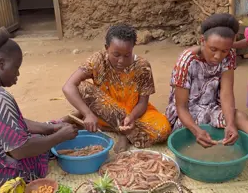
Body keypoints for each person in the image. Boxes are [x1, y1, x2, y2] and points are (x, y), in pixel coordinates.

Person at [0, 27, 78, 193]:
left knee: (50, 130)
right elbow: (19, 150)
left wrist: (49, 128)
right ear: (1, 63)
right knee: (45, 146)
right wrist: (59, 137)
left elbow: (5, 123)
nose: (18, 73)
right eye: (16, 67)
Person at [63, 24, 171, 152]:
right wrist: (88, 114)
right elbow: (68, 86)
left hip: (132, 113)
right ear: (106, 48)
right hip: (104, 109)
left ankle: (123, 132)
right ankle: (97, 120)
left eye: (127, 55)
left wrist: (131, 118)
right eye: (116, 54)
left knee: (163, 130)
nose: (121, 60)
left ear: (132, 49)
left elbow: (143, 103)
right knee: (82, 87)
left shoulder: (142, 67)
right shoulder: (97, 60)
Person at [166, 13, 248, 148]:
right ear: (202, 40)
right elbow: (181, 107)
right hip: (186, 114)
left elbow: (226, 93)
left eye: (224, 50)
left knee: (239, 117)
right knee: (191, 138)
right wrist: (196, 131)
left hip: (212, 108)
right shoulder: (187, 60)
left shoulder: (229, 56)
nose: (218, 56)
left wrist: (229, 124)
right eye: (213, 49)